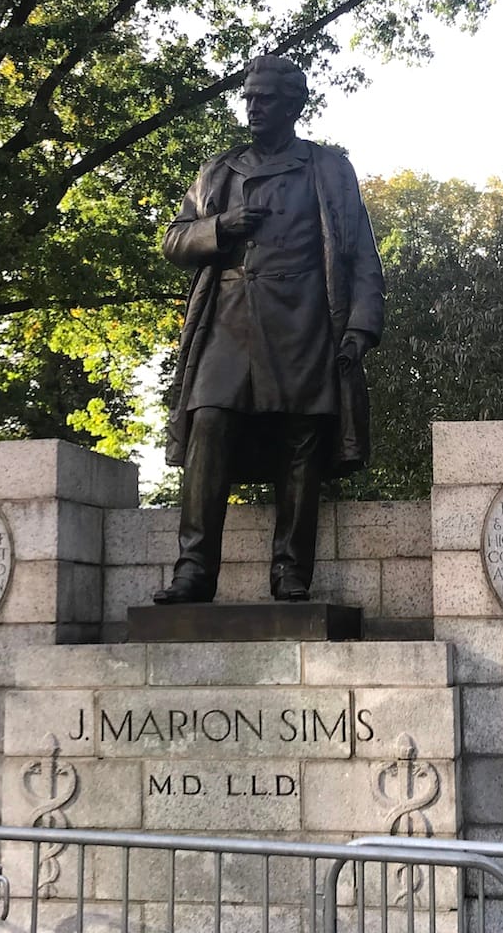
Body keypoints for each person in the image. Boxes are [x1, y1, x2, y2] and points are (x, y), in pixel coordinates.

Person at [156, 55, 384, 605]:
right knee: (208, 425)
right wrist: (219, 226)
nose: (254, 107)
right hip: (228, 320)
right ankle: (193, 571)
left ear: (294, 106)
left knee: (300, 440)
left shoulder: (327, 167)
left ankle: (290, 572)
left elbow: (361, 257)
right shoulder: (218, 171)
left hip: (303, 319)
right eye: (249, 97)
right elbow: (173, 241)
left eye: (266, 99)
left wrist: (359, 328)